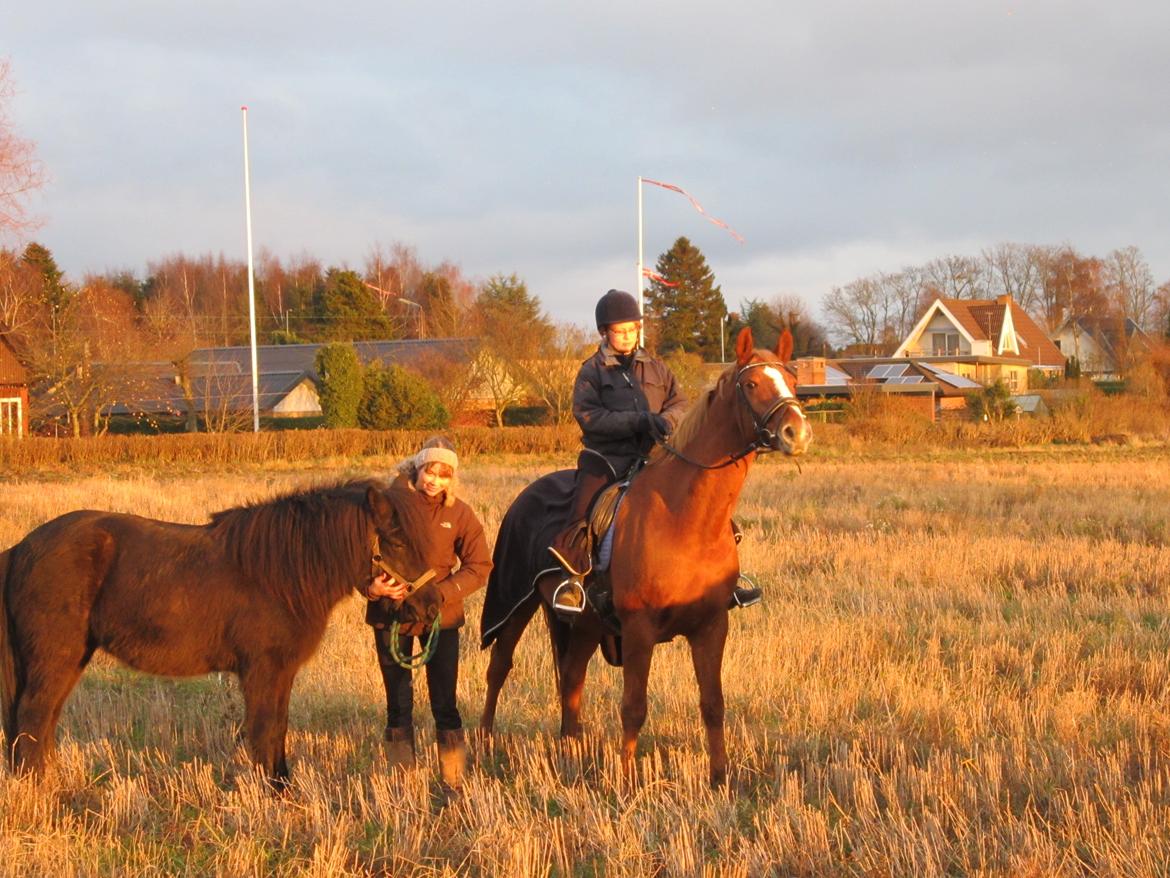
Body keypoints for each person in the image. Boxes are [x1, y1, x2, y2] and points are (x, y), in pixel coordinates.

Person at [365, 436, 492, 795]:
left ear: (452, 478)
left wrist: (442, 592)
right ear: (416, 468)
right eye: (429, 471)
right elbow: (359, 555)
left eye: (444, 474)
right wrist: (372, 588)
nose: (435, 480)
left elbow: (480, 565)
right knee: (397, 702)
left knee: (445, 702)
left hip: (441, 616)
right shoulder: (386, 506)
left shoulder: (460, 513)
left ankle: (453, 781)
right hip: (390, 613)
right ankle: (402, 784)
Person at [548, 289, 687, 610]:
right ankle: (573, 581)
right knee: (584, 510)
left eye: (632, 329)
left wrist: (667, 420)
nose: (627, 336)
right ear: (604, 333)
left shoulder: (658, 367)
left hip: (656, 454)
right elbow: (588, 416)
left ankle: (726, 575)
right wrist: (637, 421)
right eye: (620, 330)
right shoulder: (591, 371)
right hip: (606, 458)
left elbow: (679, 402)